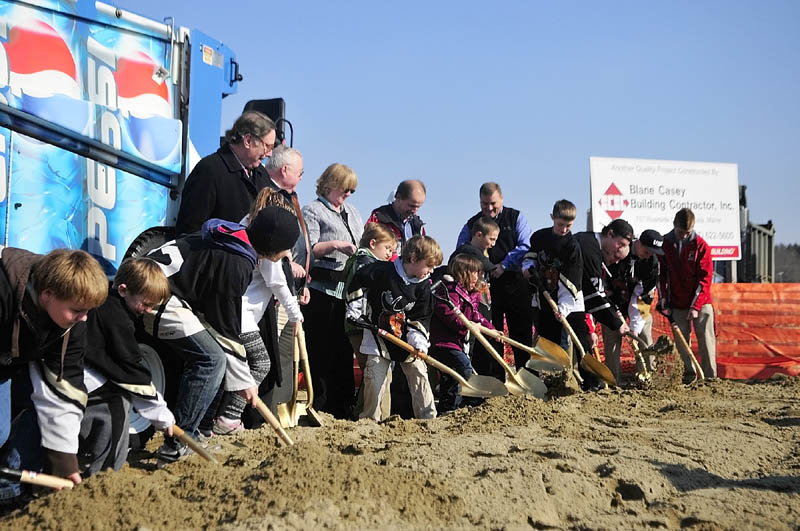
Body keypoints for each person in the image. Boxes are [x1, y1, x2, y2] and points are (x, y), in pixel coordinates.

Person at [143, 206, 299, 461]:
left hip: (171, 293)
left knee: (217, 356)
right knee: (212, 359)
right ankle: (179, 443)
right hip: (155, 294)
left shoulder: (235, 239)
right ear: (274, 247)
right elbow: (226, 327)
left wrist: (242, 378)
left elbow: (221, 323)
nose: (287, 254)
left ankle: (201, 431)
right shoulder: (236, 261)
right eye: (286, 248)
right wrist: (245, 382)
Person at [0, 249, 107, 503]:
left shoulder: (73, 325)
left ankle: (8, 490)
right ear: (47, 295)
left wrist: (65, 461)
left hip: (15, 360)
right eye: (78, 310)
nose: (84, 319)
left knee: (40, 409)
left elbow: (64, 389)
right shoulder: (4, 291)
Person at [211, 191, 304, 434]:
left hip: (234, 311)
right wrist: (295, 314)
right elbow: (277, 283)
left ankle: (215, 417)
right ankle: (227, 418)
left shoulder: (247, 226)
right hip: (241, 315)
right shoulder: (267, 241)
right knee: (260, 363)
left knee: (229, 366)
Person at [78, 258, 174, 476]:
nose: (148, 310)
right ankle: (104, 475)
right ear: (123, 290)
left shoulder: (108, 304)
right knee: (118, 406)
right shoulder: (116, 318)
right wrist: (160, 413)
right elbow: (130, 371)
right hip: (82, 380)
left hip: (81, 374)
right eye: (146, 304)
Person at [345, 235, 442, 421]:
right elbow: (358, 281)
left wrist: (419, 342)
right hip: (378, 336)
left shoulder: (424, 288)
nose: (431, 271)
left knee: (419, 374)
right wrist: (355, 309)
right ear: (413, 259)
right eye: (429, 266)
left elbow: (420, 318)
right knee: (374, 378)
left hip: (407, 340)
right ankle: (369, 421)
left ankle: (429, 419)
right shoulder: (381, 271)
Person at [302, 163, 363, 419]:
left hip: (346, 293)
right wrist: (335, 244)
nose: (348, 194)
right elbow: (308, 248)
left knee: (343, 350)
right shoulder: (312, 210)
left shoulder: (352, 212)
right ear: (329, 185)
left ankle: (344, 404)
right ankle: (322, 405)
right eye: (344, 189)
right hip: (322, 290)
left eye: (352, 190)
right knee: (322, 350)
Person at [456, 182, 532, 375]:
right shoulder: (473, 223)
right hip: (485, 288)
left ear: (502, 199)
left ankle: (527, 373)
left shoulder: (515, 217)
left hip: (514, 283)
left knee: (521, 332)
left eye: (493, 204)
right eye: (484, 204)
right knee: (491, 332)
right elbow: (462, 249)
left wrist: (504, 265)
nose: (489, 208)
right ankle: (495, 378)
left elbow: (525, 245)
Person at [175, 111, 276, 236]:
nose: (270, 154)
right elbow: (189, 232)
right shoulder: (209, 170)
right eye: (267, 146)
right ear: (248, 140)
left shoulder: (262, 175)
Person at [341, 222, 397, 419]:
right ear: (373, 243)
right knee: (373, 371)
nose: (390, 254)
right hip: (361, 325)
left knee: (373, 371)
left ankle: (368, 412)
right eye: (387, 248)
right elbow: (360, 293)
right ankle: (371, 414)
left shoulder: (367, 262)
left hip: (364, 324)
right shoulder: (365, 264)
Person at [429, 254, 494, 413]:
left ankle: (451, 407)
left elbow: (475, 316)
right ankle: (458, 406)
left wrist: (491, 330)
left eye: (479, 274)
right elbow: (449, 316)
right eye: (473, 273)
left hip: (458, 343)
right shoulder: (449, 292)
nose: (477, 277)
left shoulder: (472, 294)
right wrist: (468, 326)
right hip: (443, 343)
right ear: (462, 274)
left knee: (453, 378)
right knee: (463, 370)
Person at [573, 219, 634, 387]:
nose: (615, 260)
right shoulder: (589, 248)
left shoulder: (594, 249)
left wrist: (617, 314)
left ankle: (587, 383)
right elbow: (593, 297)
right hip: (560, 304)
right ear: (610, 234)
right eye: (618, 246)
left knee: (582, 343)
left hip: (573, 305)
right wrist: (616, 323)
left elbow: (597, 294)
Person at [658, 208, 716, 380]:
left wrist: (696, 306)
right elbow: (662, 276)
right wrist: (664, 301)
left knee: (706, 339)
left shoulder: (701, 246)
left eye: (687, 233)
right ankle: (688, 375)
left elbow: (705, 280)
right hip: (677, 302)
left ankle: (710, 377)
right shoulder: (665, 245)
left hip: (701, 301)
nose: (683, 235)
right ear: (674, 227)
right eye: (680, 232)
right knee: (682, 342)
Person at [522, 200, 583, 353]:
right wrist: (528, 268)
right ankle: (547, 374)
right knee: (545, 340)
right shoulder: (539, 237)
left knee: (562, 344)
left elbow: (571, 279)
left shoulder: (572, 246)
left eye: (568, 226)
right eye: (560, 224)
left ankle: (563, 374)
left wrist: (563, 308)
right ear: (552, 217)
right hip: (542, 296)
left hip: (563, 302)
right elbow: (531, 256)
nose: (564, 229)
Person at [603, 230, 663, 381]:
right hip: (612, 301)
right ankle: (612, 380)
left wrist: (635, 328)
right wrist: (616, 316)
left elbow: (643, 297)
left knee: (644, 333)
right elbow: (605, 287)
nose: (649, 255)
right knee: (612, 336)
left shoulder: (652, 263)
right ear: (638, 243)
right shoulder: (619, 253)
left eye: (653, 253)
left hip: (637, 303)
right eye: (647, 251)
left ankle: (648, 375)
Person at [365, 179, 427, 258]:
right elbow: (367, 247)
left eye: (418, 207)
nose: (415, 211)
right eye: (411, 205)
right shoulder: (379, 218)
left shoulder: (418, 225)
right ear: (398, 197)